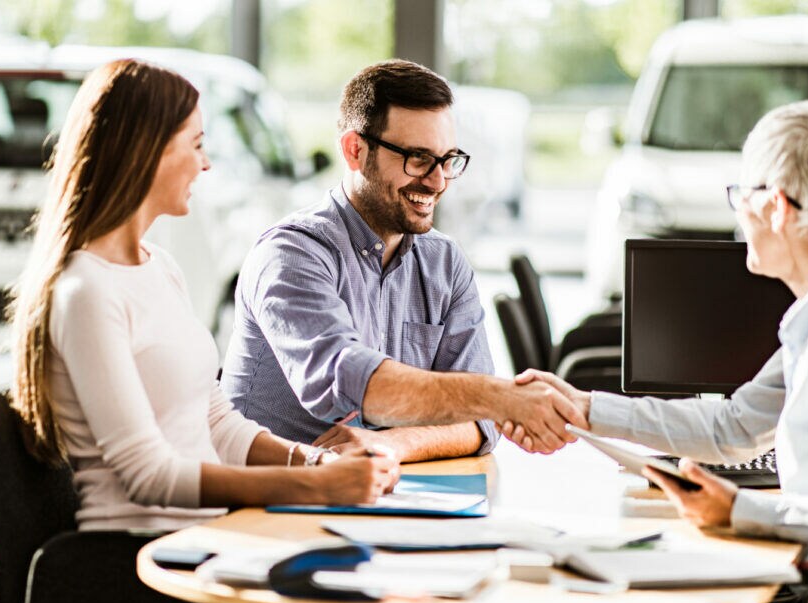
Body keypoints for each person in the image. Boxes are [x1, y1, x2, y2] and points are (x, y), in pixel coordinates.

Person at [5, 59, 460, 603]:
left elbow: (216, 420)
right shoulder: (86, 291)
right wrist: (313, 487)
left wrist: (316, 460)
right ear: (145, 153)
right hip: (139, 574)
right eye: (194, 145)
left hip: (210, 547)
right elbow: (149, 475)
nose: (206, 164)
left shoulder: (156, 268)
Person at [507, 100, 808, 603]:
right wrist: (585, 408)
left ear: (777, 207)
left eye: (742, 194)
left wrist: (742, 510)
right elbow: (734, 426)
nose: (738, 215)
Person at [220, 59, 585, 465]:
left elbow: (479, 423)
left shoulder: (444, 262)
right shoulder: (291, 254)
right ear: (355, 150)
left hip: (383, 494)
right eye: (417, 158)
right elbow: (351, 385)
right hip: (266, 505)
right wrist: (502, 397)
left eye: (447, 160)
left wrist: (394, 445)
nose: (437, 180)